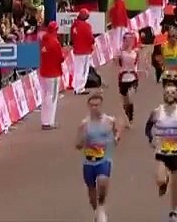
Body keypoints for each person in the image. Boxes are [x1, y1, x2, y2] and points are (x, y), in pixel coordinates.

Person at [145, 83, 177, 222]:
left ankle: (173, 211)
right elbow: (148, 127)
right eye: (167, 92)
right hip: (162, 152)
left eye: (173, 92)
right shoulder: (157, 111)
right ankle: (163, 184)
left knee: (176, 185)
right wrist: (151, 139)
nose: (170, 95)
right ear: (163, 95)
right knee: (160, 179)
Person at [76, 93, 120, 222]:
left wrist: (116, 138)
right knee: (91, 190)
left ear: (101, 105)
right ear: (89, 106)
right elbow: (77, 145)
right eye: (92, 105)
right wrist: (82, 139)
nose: (95, 108)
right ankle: (96, 210)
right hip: (89, 161)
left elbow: (116, 133)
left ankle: (101, 207)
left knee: (102, 182)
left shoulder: (109, 121)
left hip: (104, 159)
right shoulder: (84, 124)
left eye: (97, 105)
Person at [38, 21, 66, 129]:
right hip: (53, 74)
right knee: (52, 98)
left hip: (44, 72)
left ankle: (45, 121)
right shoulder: (55, 42)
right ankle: (49, 122)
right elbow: (61, 58)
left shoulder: (43, 41)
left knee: (45, 96)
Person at [116, 30, 141, 124]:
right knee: (125, 101)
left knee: (130, 98)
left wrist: (142, 71)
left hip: (133, 78)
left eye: (131, 40)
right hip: (123, 78)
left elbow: (138, 64)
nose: (129, 42)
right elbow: (117, 64)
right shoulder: (120, 52)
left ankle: (130, 118)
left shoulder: (136, 52)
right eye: (126, 40)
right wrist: (117, 58)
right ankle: (127, 114)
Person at [70, 10, 96, 94]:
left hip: (77, 50)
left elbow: (72, 37)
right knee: (83, 70)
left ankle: (76, 86)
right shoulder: (86, 26)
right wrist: (92, 45)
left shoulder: (74, 25)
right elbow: (90, 38)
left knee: (78, 69)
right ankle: (80, 88)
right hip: (85, 51)